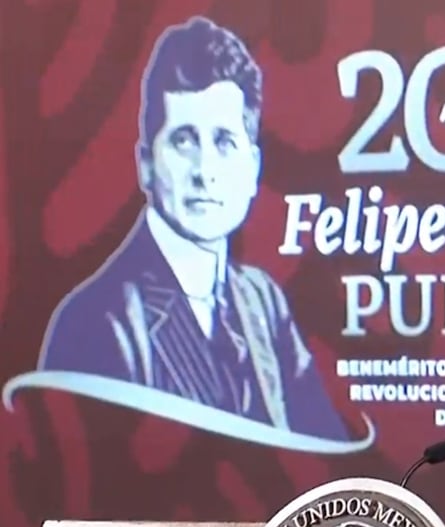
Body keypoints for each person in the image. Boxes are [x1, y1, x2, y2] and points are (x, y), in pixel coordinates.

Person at [37, 16, 348, 442]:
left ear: (252, 169)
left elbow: (324, 455)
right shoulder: (96, 322)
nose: (204, 171)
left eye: (224, 142)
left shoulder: (263, 301)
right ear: (146, 164)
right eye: (183, 140)